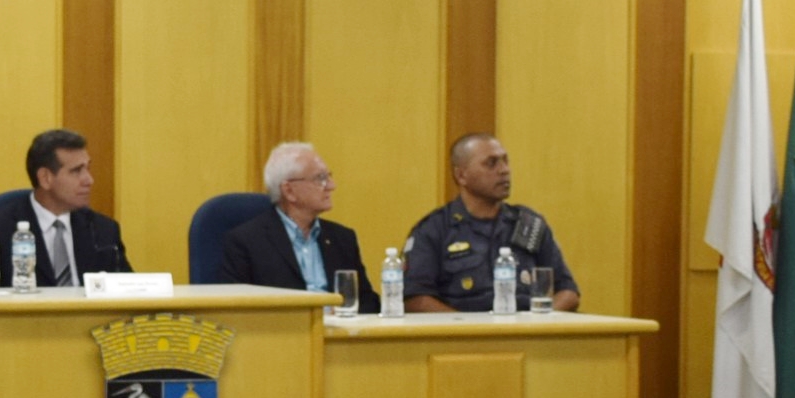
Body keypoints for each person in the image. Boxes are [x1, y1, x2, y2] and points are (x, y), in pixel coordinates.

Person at [400, 133, 580, 312]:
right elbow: (415, 299)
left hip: (526, 325)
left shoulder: (528, 224)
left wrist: (541, 320)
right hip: (464, 326)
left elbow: (568, 291)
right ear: (461, 175)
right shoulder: (434, 229)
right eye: (491, 163)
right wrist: (465, 326)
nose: (504, 170)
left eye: (505, 161)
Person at [0, 128, 129, 286]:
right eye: (76, 171)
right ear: (45, 178)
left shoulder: (103, 229)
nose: (89, 180)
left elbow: (129, 291)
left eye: (88, 169)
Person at [219, 142, 371, 306]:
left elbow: (367, 302)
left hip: (338, 322)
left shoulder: (342, 239)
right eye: (320, 178)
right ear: (289, 191)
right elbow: (237, 309)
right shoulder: (246, 242)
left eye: (328, 176)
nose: (331, 186)